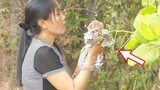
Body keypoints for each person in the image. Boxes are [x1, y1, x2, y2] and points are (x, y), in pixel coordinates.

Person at [16, 0, 103, 90]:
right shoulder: (42, 53)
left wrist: (82, 63)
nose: (63, 17)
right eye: (58, 14)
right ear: (42, 23)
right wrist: (92, 56)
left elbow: (68, 84)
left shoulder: (50, 47)